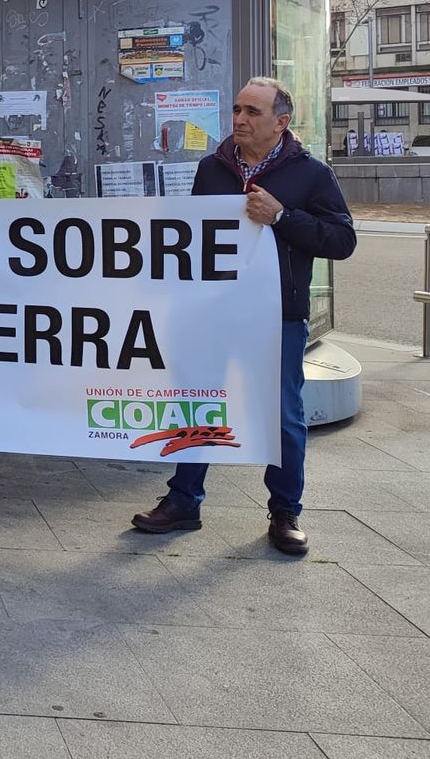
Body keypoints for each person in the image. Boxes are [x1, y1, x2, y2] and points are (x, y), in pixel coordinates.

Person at [132, 76, 356, 556]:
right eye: (237, 109)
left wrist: (282, 216)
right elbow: (194, 239)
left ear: (281, 121)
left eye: (253, 111)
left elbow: (342, 240)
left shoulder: (311, 174)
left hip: (277, 317)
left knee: (283, 415)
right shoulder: (212, 169)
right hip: (212, 314)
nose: (240, 119)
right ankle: (183, 500)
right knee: (198, 403)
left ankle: (285, 511)